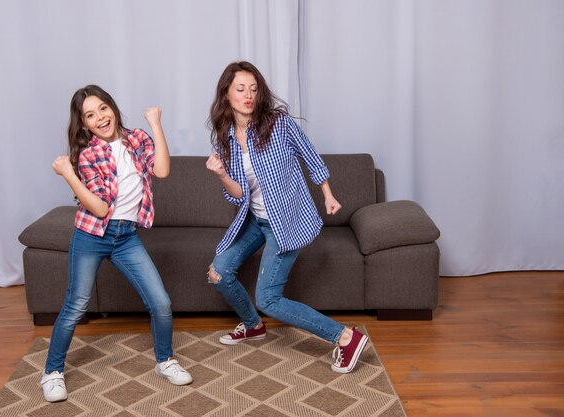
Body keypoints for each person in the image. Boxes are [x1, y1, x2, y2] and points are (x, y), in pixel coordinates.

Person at [205, 62, 368, 374]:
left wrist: (328, 193)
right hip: (254, 219)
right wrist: (223, 174)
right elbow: (238, 196)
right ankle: (253, 326)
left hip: (285, 221)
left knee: (268, 298)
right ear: (226, 94)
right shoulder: (223, 138)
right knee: (218, 273)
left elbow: (310, 154)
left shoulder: (277, 124)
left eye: (253, 89)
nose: (248, 95)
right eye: (240, 89)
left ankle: (345, 337)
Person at [41, 85, 192, 403]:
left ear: (113, 107)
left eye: (103, 108)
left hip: (126, 237)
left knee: (161, 302)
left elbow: (162, 170)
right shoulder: (88, 154)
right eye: (90, 115)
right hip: (91, 236)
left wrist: (155, 125)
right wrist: (70, 174)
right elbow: (99, 208)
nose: (100, 117)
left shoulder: (137, 138)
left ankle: (165, 361)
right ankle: (52, 372)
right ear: (84, 125)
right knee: (76, 305)